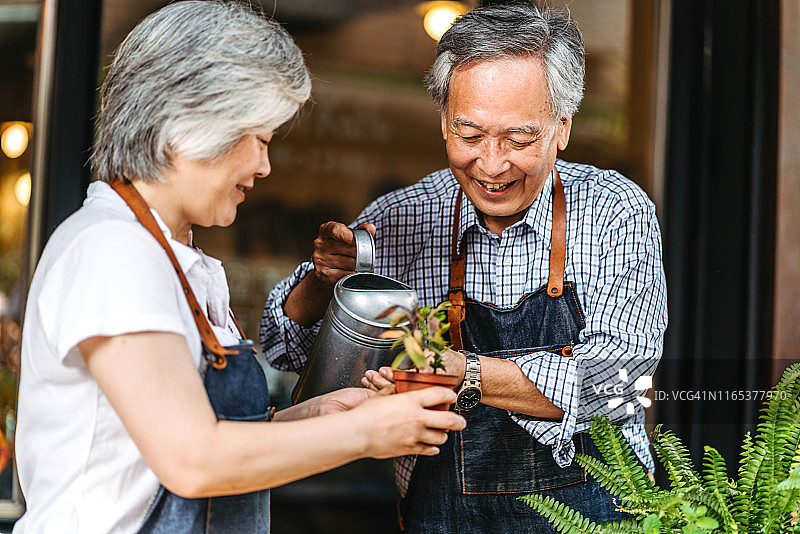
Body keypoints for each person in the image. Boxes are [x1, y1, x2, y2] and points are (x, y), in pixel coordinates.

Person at [13, 2, 466, 532]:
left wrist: (311, 416)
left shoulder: (170, 257)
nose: (264, 166)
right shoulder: (113, 251)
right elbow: (194, 460)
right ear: (190, 122)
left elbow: (185, 436)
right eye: (259, 139)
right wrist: (366, 433)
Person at [260, 2, 667, 532]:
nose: (492, 164)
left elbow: (617, 376)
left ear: (561, 128)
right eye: (470, 136)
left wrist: (464, 374)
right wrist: (323, 283)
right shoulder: (400, 219)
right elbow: (286, 352)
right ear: (444, 122)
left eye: (519, 139)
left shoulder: (614, 209)